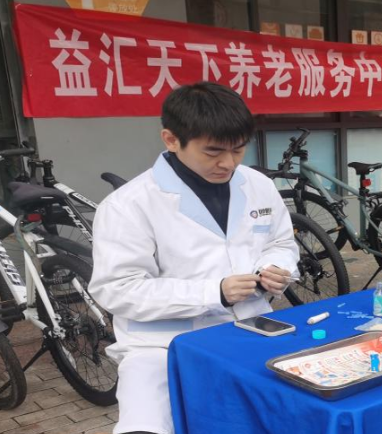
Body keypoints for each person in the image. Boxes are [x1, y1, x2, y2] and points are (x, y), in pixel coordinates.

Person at [89, 82, 299, 434]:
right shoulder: (129, 205)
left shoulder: (257, 185)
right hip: (162, 346)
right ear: (171, 140)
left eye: (238, 149)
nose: (228, 163)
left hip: (251, 329)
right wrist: (213, 293)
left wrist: (276, 268)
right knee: (147, 426)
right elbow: (118, 289)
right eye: (213, 151)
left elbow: (280, 242)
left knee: (284, 415)